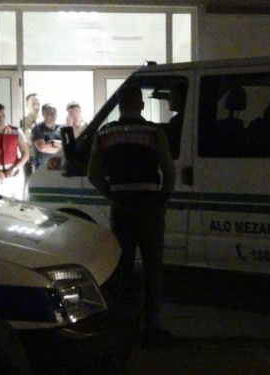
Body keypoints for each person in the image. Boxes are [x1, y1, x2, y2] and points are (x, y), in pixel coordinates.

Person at [87, 85, 176, 345]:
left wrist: (112, 194)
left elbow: (93, 175)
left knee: (123, 267)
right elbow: (169, 172)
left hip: (121, 207)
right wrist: (162, 200)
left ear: (120, 105)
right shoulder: (154, 132)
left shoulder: (105, 133)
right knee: (152, 267)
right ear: (141, 105)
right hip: (149, 206)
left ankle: (124, 324)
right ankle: (152, 326)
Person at [31, 103, 62, 169]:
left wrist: (52, 143)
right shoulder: (37, 128)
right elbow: (42, 147)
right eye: (49, 113)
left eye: (54, 113)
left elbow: (68, 146)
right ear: (43, 114)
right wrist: (61, 147)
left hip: (58, 167)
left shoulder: (61, 128)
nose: (52, 115)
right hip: (42, 168)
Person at [21, 93, 40, 176]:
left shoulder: (44, 121)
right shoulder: (23, 121)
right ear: (27, 105)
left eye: (38, 103)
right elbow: (28, 139)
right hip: (30, 158)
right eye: (33, 103)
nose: (36, 106)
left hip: (44, 158)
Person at [165, 87, 187, 159]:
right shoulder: (185, 118)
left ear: (179, 98)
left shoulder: (177, 121)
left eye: (170, 97)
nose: (168, 100)